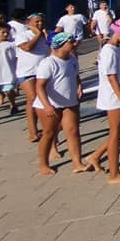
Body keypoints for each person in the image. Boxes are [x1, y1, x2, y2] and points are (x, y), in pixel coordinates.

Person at [33, 33, 91, 176]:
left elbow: (75, 75)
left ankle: (77, 163)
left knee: (73, 131)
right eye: (70, 43)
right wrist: (47, 105)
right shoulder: (48, 63)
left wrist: (79, 86)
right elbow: (39, 86)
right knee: (49, 133)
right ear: (60, 46)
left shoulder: (72, 59)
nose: (74, 44)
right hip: (48, 104)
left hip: (69, 102)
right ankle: (43, 164)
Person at [88, 18, 120, 183]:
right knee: (115, 132)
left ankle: (95, 156)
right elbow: (112, 78)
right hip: (114, 98)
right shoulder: (109, 51)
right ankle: (114, 174)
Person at [15, 12, 49, 143]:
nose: (40, 24)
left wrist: (45, 36)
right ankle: (32, 130)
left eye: (41, 21)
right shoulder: (22, 35)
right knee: (33, 99)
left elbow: (54, 49)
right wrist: (38, 34)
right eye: (37, 22)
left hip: (43, 71)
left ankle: (46, 126)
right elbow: (27, 47)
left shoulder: (46, 34)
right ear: (29, 23)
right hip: (27, 72)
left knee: (43, 100)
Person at [0, 22, 18, 119]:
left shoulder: (11, 44)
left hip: (7, 72)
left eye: (7, 32)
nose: (6, 34)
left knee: (9, 91)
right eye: (3, 32)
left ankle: (13, 105)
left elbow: (17, 57)